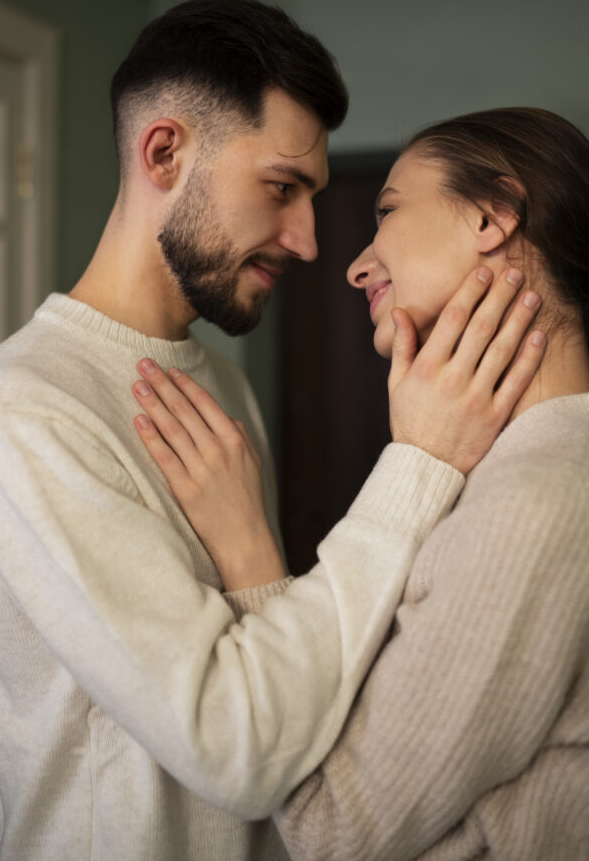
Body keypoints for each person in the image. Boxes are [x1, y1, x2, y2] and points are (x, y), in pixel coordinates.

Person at [0, 0, 543, 861]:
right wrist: (417, 461)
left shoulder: (220, 378)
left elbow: (270, 666)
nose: (306, 242)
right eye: (279, 188)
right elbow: (237, 750)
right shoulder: (25, 408)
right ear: (164, 153)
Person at [133, 106, 589, 860]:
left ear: (490, 217)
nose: (355, 263)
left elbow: (333, 830)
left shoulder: (534, 501)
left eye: (387, 211)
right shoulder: (524, 473)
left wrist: (251, 553)